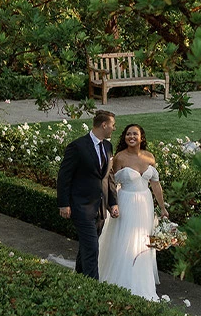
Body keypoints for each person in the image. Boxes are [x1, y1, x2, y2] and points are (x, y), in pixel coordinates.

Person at [97, 123, 168, 300]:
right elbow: (109, 183)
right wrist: (111, 205)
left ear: (141, 137)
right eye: (128, 134)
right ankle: (121, 279)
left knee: (143, 241)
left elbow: (155, 184)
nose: (131, 137)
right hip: (126, 202)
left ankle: (142, 280)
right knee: (125, 239)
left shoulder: (150, 157)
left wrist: (163, 207)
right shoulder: (119, 158)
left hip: (145, 203)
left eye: (135, 134)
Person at [57, 110, 119, 279]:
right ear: (104, 125)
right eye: (113, 125)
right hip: (81, 207)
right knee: (92, 248)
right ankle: (93, 288)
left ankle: (79, 280)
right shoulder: (77, 146)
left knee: (86, 247)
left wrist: (113, 202)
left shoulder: (107, 146)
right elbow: (64, 176)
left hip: (100, 207)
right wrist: (64, 203)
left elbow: (109, 177)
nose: (114, 129)